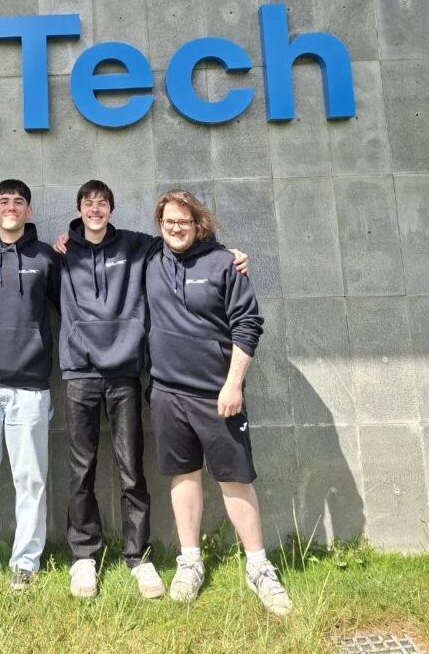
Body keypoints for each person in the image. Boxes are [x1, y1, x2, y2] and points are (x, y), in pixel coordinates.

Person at [56, 180, 249, 600]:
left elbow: (183, 242)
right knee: (80, 469)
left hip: (126, 372)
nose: (95, 209)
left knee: (131, 469)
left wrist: (226, 254)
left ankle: (138, 556)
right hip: (79, 374)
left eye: (102, 202)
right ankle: (84, 556)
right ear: (79, 209)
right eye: (88, 203)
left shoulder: (137, 245)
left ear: (111, 208)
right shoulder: (62, 253)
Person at [145, 189, 292, 614]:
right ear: (160, 224)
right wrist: (66, 239)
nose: (175, 228)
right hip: (167, 393)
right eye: (169, 221)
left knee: (235, 478)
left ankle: (259, 567)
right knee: (183, 476)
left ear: (198, 224)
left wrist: (233, 385)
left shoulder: (225, 263)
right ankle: (190, 562)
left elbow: (248, 323)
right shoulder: (150, 257)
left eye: (183, 221)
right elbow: (103, 238)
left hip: (218, 395)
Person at [0, 179, 60, 590]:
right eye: (4, 201)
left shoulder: (46, 258)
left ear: (29, 211)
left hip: (31, 386)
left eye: (19, 202)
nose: (12, 207)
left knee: (30, 480)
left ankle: (25, 562)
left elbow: (72, 304)